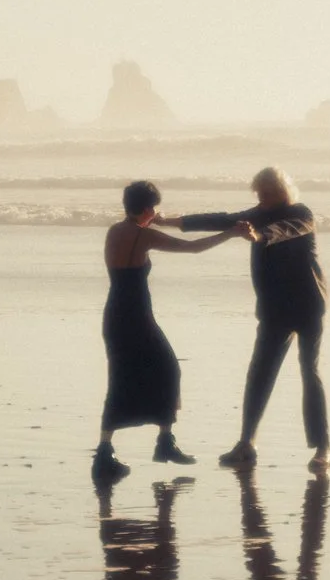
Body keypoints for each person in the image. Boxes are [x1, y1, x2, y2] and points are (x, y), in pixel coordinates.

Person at [170, 167, 330, 472]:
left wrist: (259, 235)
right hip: (273, 309)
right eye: (259, 194)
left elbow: (286, 230)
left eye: (267, 194)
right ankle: (246, 443)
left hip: (307, 305)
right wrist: (172, 221)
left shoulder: (301, 213)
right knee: (259, 373)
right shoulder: (258, 213)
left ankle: (323, 448)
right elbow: (221, 219)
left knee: (309, 372)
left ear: (282, 192)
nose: (261, 199)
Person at [95, 178, 230, 483]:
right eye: (154, 207)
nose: (157, 211)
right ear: (146, 208)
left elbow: (147, 233)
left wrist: (160, 221)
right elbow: (193, 248)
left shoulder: (116, 231)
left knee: (123, 377)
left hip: (116, 314)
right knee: (167, 369)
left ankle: (113, 450)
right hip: (135, 317)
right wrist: (231, 233)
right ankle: (159, 444)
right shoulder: (141, 237)